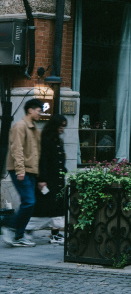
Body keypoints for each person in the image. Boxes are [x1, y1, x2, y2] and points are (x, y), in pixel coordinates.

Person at [3, 100, 43, 247]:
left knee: (29, 203)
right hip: (21, 170)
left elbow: (37, 153)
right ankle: (10, 226)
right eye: (39, 110)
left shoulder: (34, 128)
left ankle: (18, 235)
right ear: (30, 110)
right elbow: (17, 149)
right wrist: (20, 170)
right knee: (29, 201)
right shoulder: (20, 126)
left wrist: (38, 175)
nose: (40, 113)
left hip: (31, 171)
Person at [31, 114, 67, 244]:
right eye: (60, 126)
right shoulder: (46, 140)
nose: (62, 129)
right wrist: (42, 179)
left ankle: (55, 234)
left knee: (57, 206)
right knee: (45, 206)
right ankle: (26, 230)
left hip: (58, 179)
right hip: (49, 179)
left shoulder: (57, 140)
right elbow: (43, 161)